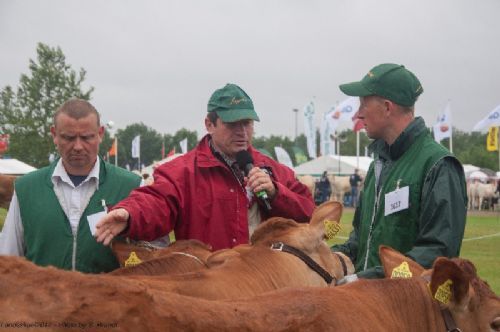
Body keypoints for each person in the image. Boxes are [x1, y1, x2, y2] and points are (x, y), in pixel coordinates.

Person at [95, 83, 315, 250]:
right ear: (209, 124)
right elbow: (156, 201)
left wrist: (277, 193)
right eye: (232, 124)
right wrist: (130, 214)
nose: (242, 132)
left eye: (247, 123)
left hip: (264, 287)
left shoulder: (273, 169)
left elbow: (309, 213)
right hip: (209, 289)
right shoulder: (182, 172)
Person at [331, 63, 467, 281]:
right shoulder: (379, 164)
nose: (358, 114)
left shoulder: (439, 165)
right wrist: (332, 257)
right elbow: (361, 239)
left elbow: (437, 253)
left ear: (387, 107)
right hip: (369, 305)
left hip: (409, 311)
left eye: (363, 104)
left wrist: (368, 280)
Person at [0, 99, 142, 273]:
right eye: (68, 137)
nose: (78, 146)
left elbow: (154, 256)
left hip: (108, 298)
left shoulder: (132, 186)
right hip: (42, 298)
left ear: (100, 133)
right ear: (54, 135)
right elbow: (8, 259)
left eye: (86, 137)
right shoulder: (26, 189)